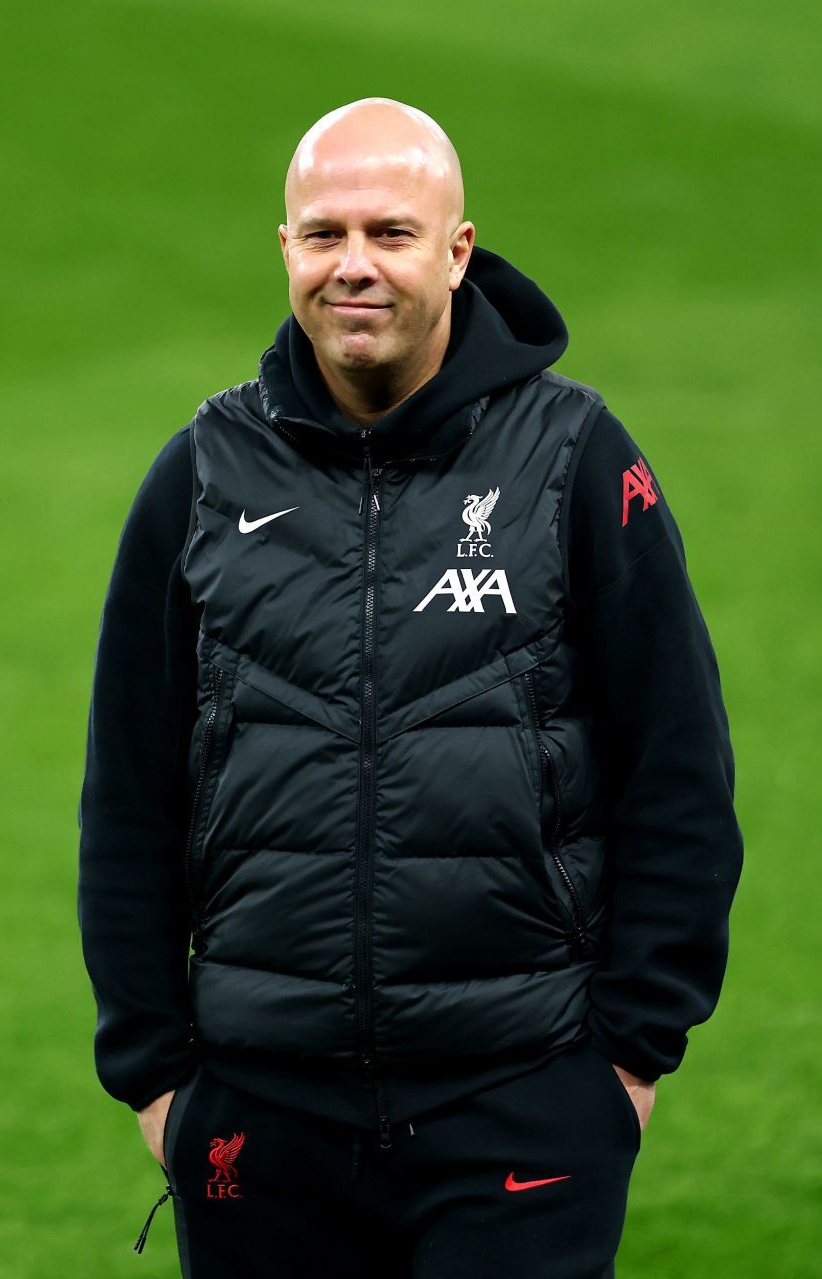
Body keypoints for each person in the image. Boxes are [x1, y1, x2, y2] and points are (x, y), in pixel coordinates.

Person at [77, 97, 742, 1278]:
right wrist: (155, 1076)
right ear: (284, 250)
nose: (355, 267)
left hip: (520, 1098)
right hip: (259, 1113)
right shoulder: (201, 473)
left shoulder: (578, 460)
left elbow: (678, 770)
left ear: (458, 250)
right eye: (323, 235)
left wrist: (629, 1058)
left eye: (390, 232)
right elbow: (129, 791)